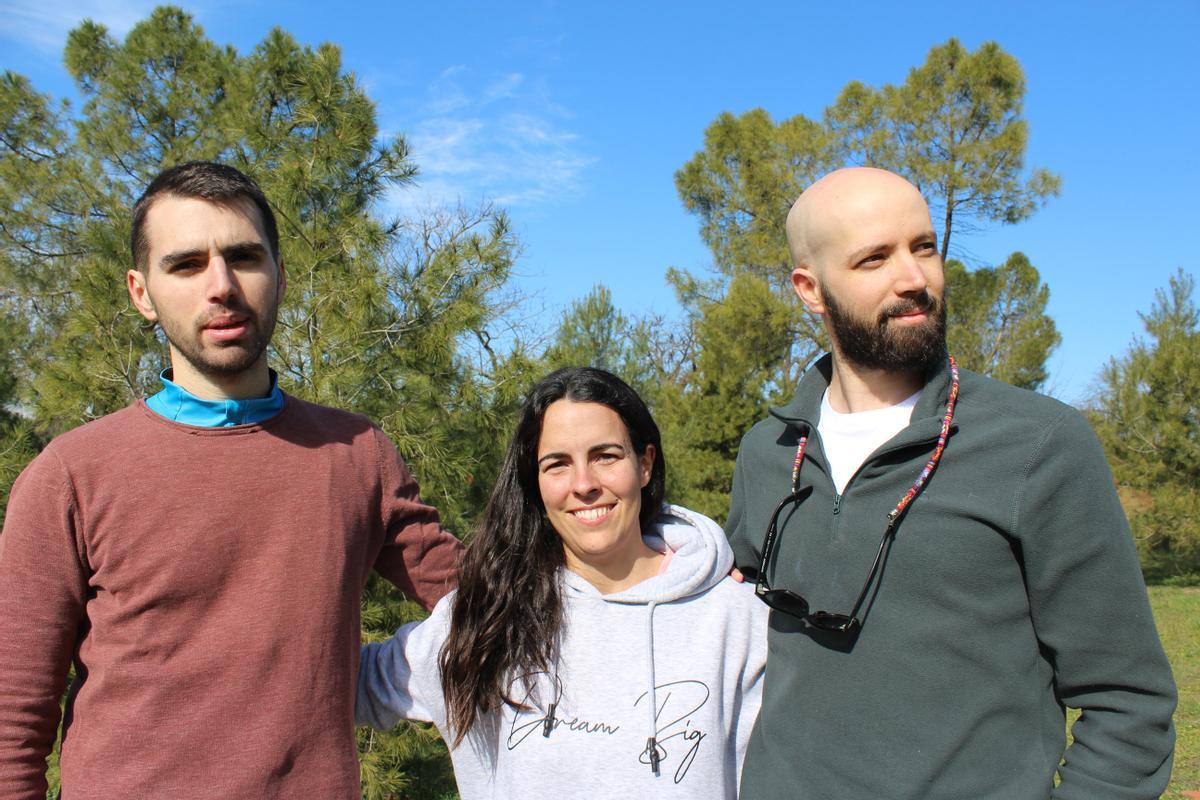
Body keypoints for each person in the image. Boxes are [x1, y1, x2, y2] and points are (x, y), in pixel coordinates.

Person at [0, 161, 463, 798]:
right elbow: (14, 715)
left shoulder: (357, 454)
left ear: (278, 273)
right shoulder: (71, 475)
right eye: (186, 264)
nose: (222, 285)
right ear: (141, 293)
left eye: (244, 256)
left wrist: (638, 551)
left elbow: (482, 597)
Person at [726, 167, 1177, 799]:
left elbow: (1127, 701)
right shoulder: (769, 450)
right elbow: (726, 618)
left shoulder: (1038, 444)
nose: (913, 278)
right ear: (811, 288)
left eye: (924, 247)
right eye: (873, 259)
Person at [357, 367, 768, 799]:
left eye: (605, 456)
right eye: (557, 464)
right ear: (535, 482)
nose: (584, 485)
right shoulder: (489, 617)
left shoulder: (737, 622)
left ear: (644, 464)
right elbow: (337, 684)